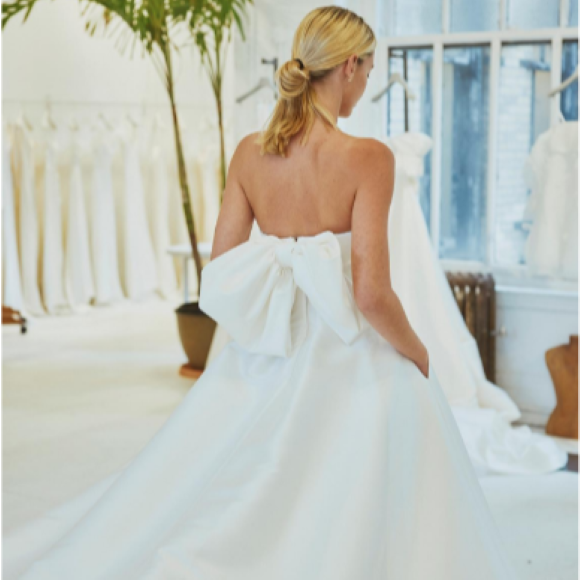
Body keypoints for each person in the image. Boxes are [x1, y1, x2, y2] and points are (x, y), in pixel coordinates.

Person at [8, 6, 519, 579]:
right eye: (369, 71)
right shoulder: (369, 158)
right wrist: (418, 351)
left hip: (269, 345)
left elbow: (224, 269)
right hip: (348, 349)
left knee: (221, 475)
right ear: (349, 66)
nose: (366, 84)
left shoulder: (250, 152)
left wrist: (282, 269)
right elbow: (372, 294)